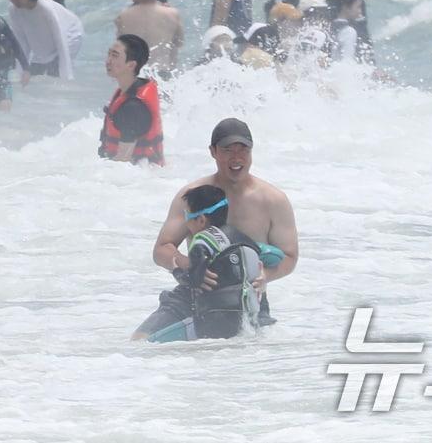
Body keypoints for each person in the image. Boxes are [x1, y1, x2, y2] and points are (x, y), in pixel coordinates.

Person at [137, 119, 298, 340]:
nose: (236, 158)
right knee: (140, 342)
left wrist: (265, 274)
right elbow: (162, 249)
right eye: (227, 150)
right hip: (193, 294)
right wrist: (190, 267)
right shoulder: (192, 196)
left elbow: (289, 256)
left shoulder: (272, 200)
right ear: (213, 152)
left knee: (240, 364)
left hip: (248, 298)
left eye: (243, 150)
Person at [136, 184, 284, 342]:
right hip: (247, 317)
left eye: (187, 216)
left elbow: (194, 280)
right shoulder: (246, 242)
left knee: (143, 341)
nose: (186, 222)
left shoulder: (202, 241)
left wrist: (176, 270)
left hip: (213, 320)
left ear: (200, 220)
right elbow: (274, 258)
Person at [2, 0, 84, 80]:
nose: (14, 1)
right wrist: (20, 75)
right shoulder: (13, 10)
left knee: (56, 74)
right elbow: (21, 44)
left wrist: (67, 77)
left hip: (71, 35)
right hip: (45, 46)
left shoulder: (45, 6)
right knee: (33, 80)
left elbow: (61, 40)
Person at [99, 34, 164, 165]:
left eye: (115, 56)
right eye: (109, 54)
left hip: (138, 180)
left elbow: (123, 162)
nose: (108, 61)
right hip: (144, 175)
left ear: (131, 65)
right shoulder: (132, 89)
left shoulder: (132, 107)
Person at [115, 0, 184, 73]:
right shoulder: (173, 14)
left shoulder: (123, 16)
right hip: (164, 75)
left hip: (135, 75)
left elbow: (120, 50)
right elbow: (179, 43)